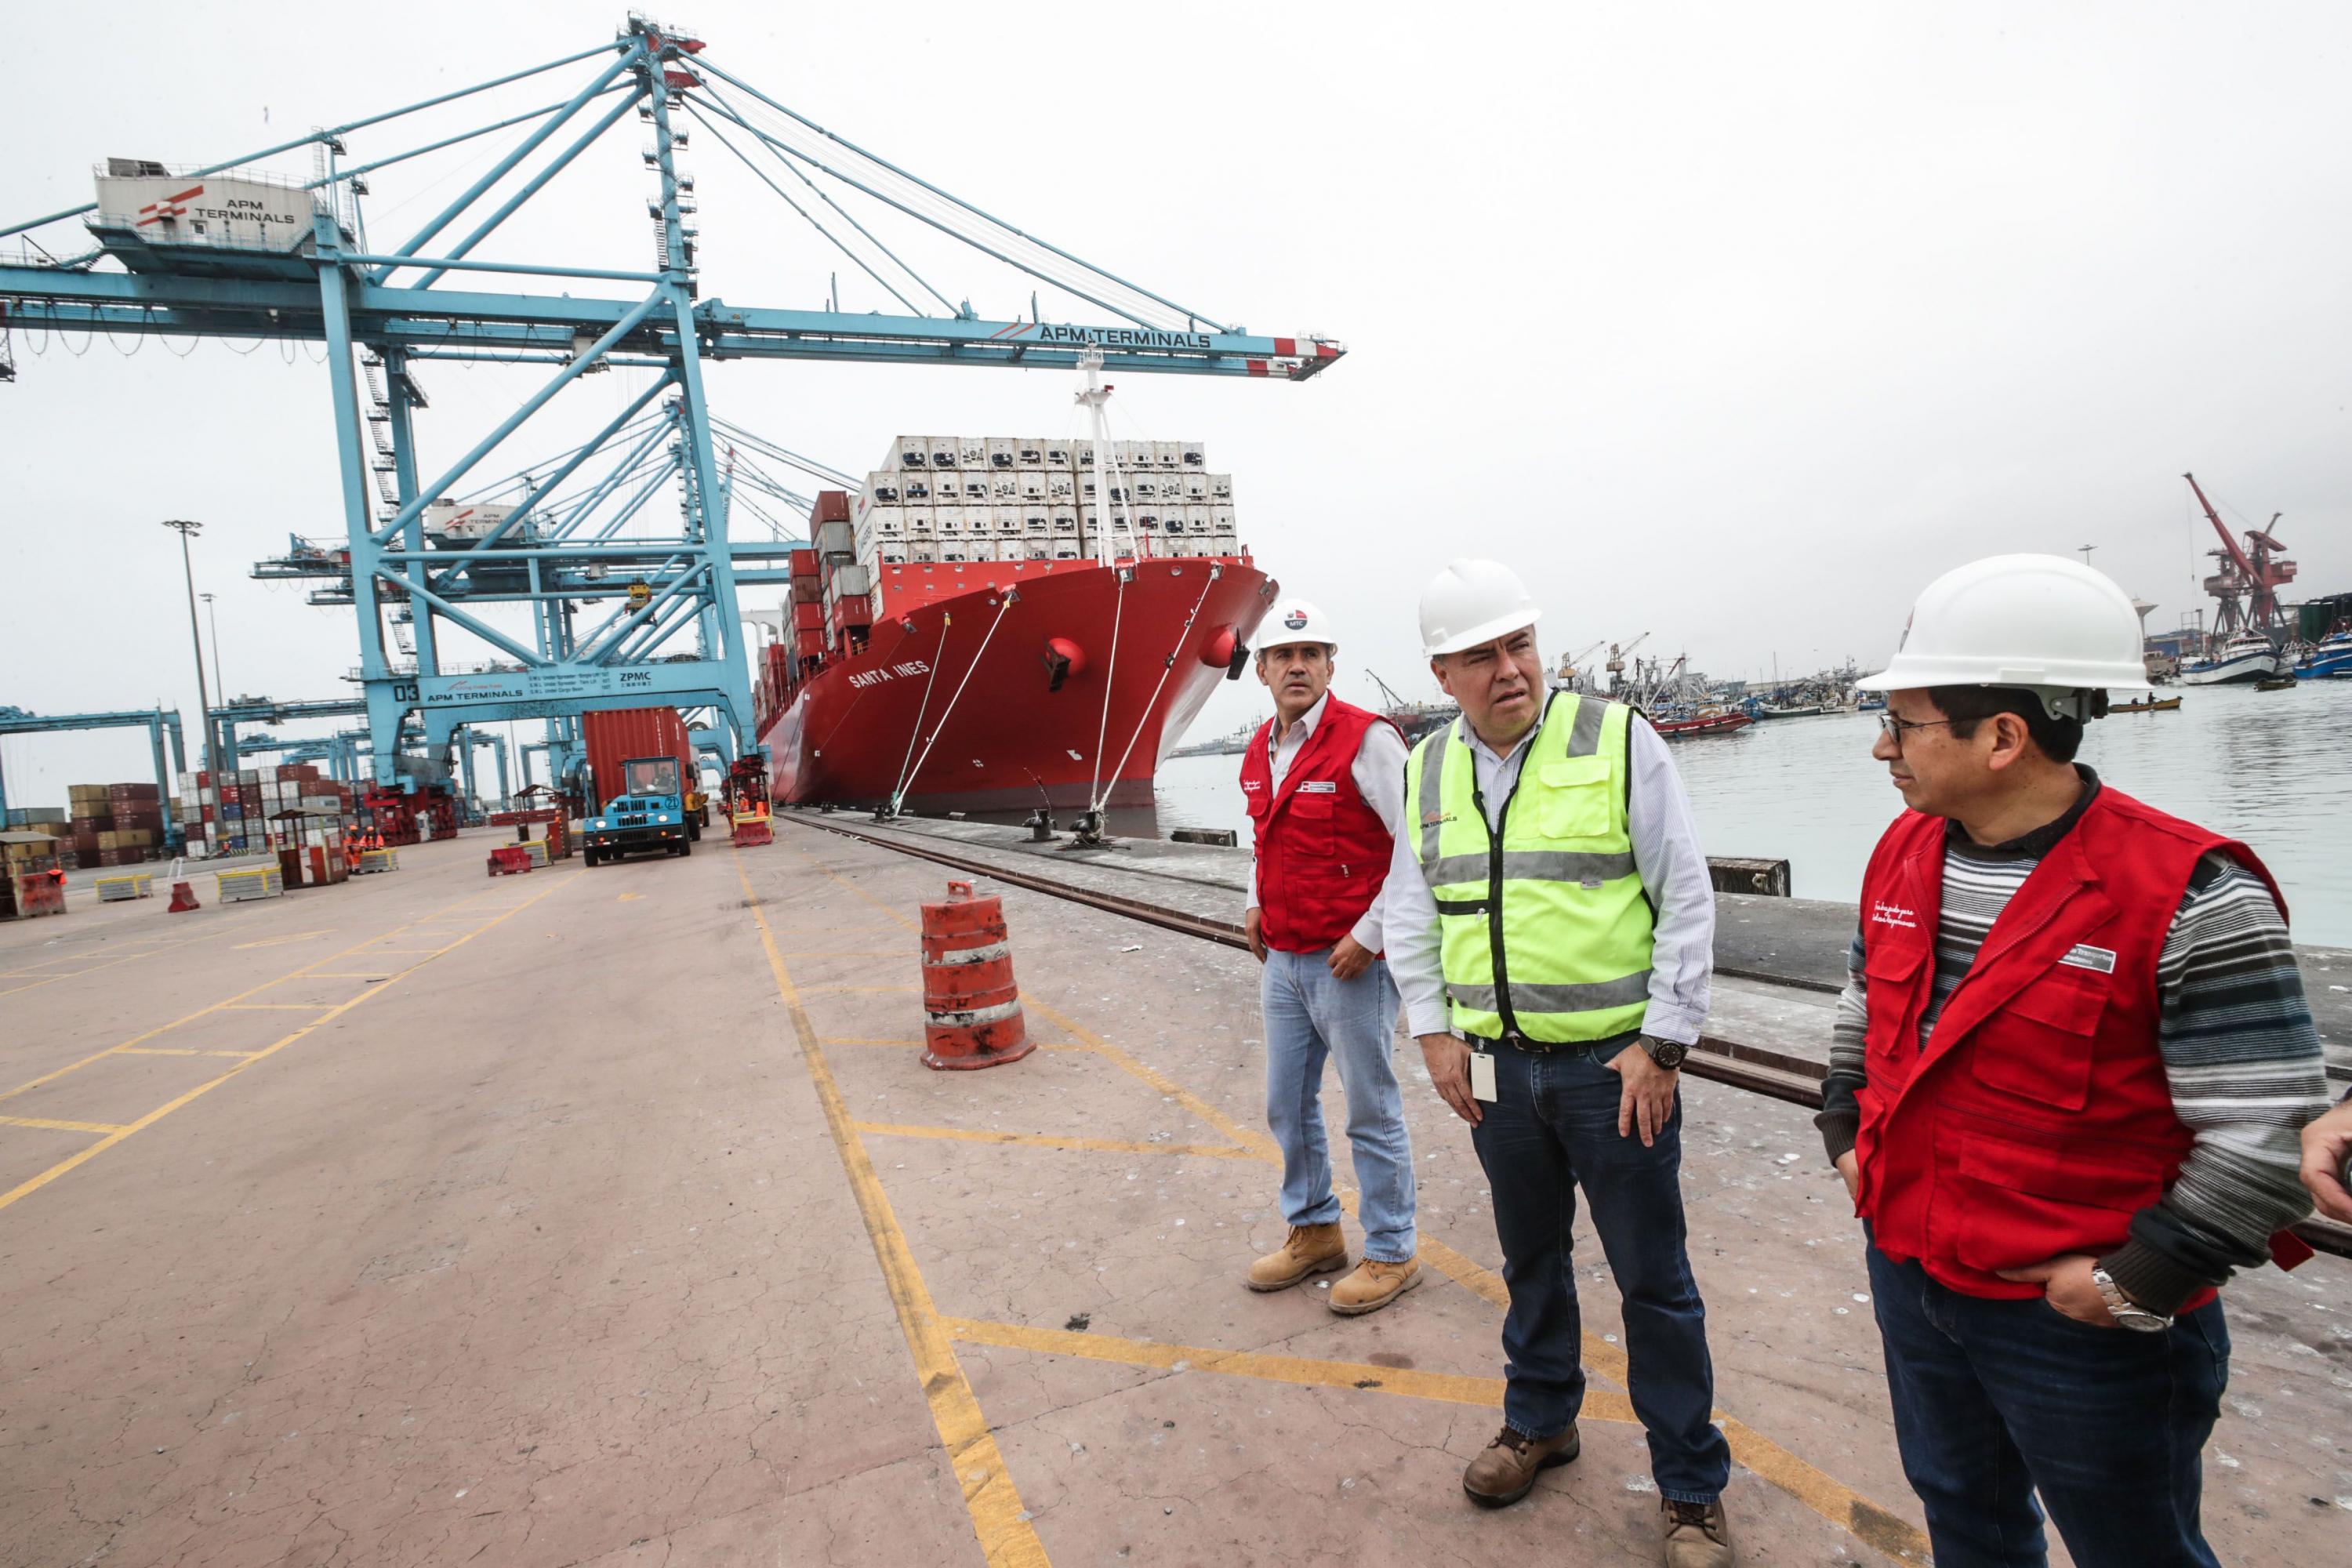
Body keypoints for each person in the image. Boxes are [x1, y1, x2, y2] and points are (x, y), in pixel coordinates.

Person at [1822, 554, 2330, 1568]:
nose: (1883, 747)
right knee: (1965, 1520)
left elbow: (2263, 1135)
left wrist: (2133, 1284)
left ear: (2005, 735)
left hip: (2084, 1326)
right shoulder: (1904, 849)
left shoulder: (2192, 894)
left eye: (1908, 723)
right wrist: (1845, 1130)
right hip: (1917, 1277)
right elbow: (1863, 1006)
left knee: (2133, 1548)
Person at [1387, 559, 1733, 1566]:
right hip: (1495, 1070)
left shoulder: (1619, 740)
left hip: (1611, 1071)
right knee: (1531, 1262)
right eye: (1482, 655)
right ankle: (1542, 1420)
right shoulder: (1427, 767)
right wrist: (1433, 1031)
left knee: (1653, 1281)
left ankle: (1689, 1485)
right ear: (1442, 671)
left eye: (1520, 644)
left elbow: (1687, 896)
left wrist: (1663, 1045)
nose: (1510, 668)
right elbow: (1413, 910)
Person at [1240, 598, 1421, 1315]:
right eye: (1283, 656)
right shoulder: (1262, 747)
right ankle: (1315, 1229)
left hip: (1351, 964)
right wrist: (1254, 899)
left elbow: (1415, 846)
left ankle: (1392, 1250)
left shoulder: (1368, 741)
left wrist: (1370, 935)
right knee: (1287, 1104)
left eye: (1310, 654)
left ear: (1330, 665)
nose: (1297, 666)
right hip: (1283, 961)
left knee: (1370, 1110)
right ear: (1261, 670)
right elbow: (1263, 838)